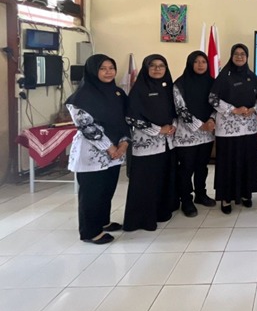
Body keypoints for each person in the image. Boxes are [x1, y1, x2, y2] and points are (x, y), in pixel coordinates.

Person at [66, 54, 130, 244]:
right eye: (103, 68)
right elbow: (86, 126)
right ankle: (90, 232)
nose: (108, 72)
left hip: (116, 151)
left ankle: (103, 221)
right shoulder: (80, 97)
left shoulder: (117, 93)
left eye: (111, 68)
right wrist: (109, 147)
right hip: (92, 153)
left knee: (107, 189)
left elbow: (126, 119)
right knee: (91, 192)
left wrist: (124, 143)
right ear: (93, 71)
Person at [123, 54, 178, 231]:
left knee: (163, 179)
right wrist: (158, 130)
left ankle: (162, 212)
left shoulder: (169, 88)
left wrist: (173, 126)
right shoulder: (138, 89)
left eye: (161, 65)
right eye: (153, 65)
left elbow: (176, 111)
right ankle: (142, 220)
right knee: (145, 183)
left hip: (167, 143)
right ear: (146, 68)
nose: (157, 69)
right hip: (146, 144)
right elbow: (131, 117)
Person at [210, 44, 257, 214]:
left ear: (247, 57)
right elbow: (213, 99)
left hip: (249, 128)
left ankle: (246, 194)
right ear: (231, 56)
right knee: (228, 163)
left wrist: (254, 108)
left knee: (247, 161)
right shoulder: (224, 76)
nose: (240, 57)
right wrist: (233, 110)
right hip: (228, 129)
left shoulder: (252, 77)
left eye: (243, 54)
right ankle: (226, 197)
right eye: (236, 54)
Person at [173, 51, 217, 218]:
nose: (200, 65)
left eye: (203, 62)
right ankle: (186, 200)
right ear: (190, 63)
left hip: (206, 134)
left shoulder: (212, 83)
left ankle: (201, 194)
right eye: (196, 62)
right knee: (186, 168)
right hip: (187, 134)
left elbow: (216, 104)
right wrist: (200, 125)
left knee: (202, 166)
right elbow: (180, 109)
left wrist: (212, 119)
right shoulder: (180, 84)